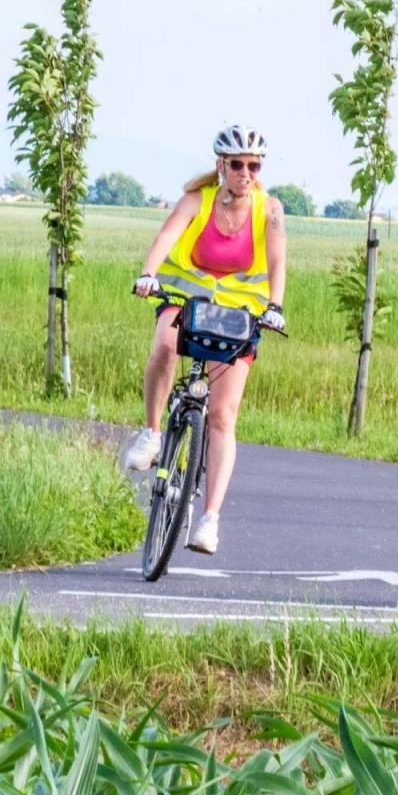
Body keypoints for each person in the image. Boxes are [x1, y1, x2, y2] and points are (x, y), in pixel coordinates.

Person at [122, 125, 287, 555]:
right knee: (163, 345)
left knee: (222, 416)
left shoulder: (269, 210)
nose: (246, 172)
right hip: (186, 298)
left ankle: (210, 519)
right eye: (238, 165)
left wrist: (275, 305)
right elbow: (166, 237)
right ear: (221, 166)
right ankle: (153, 433)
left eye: (254, 165)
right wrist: (148, 274)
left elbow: (277, 261)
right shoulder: (198, 200)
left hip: (238, 314)